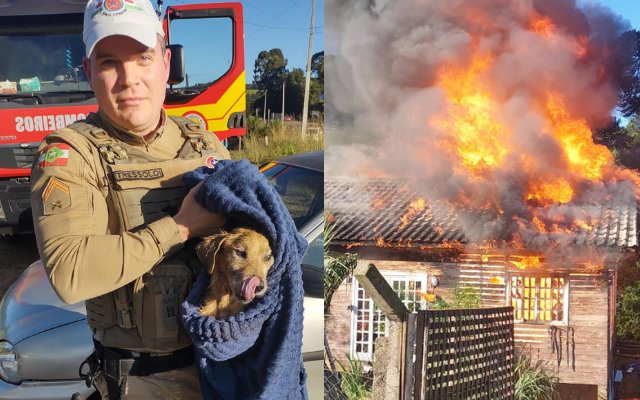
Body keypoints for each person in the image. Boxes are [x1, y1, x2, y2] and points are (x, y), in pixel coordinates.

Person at [29, 0, 229, 398]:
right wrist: (181, 227)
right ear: (88, 71)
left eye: (142, 57)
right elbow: (70, 274)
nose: (128, 78)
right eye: (108, 62)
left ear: (166, 63)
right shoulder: (71, 154)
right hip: (141, 382)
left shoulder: (205, 143)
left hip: (220, 368)